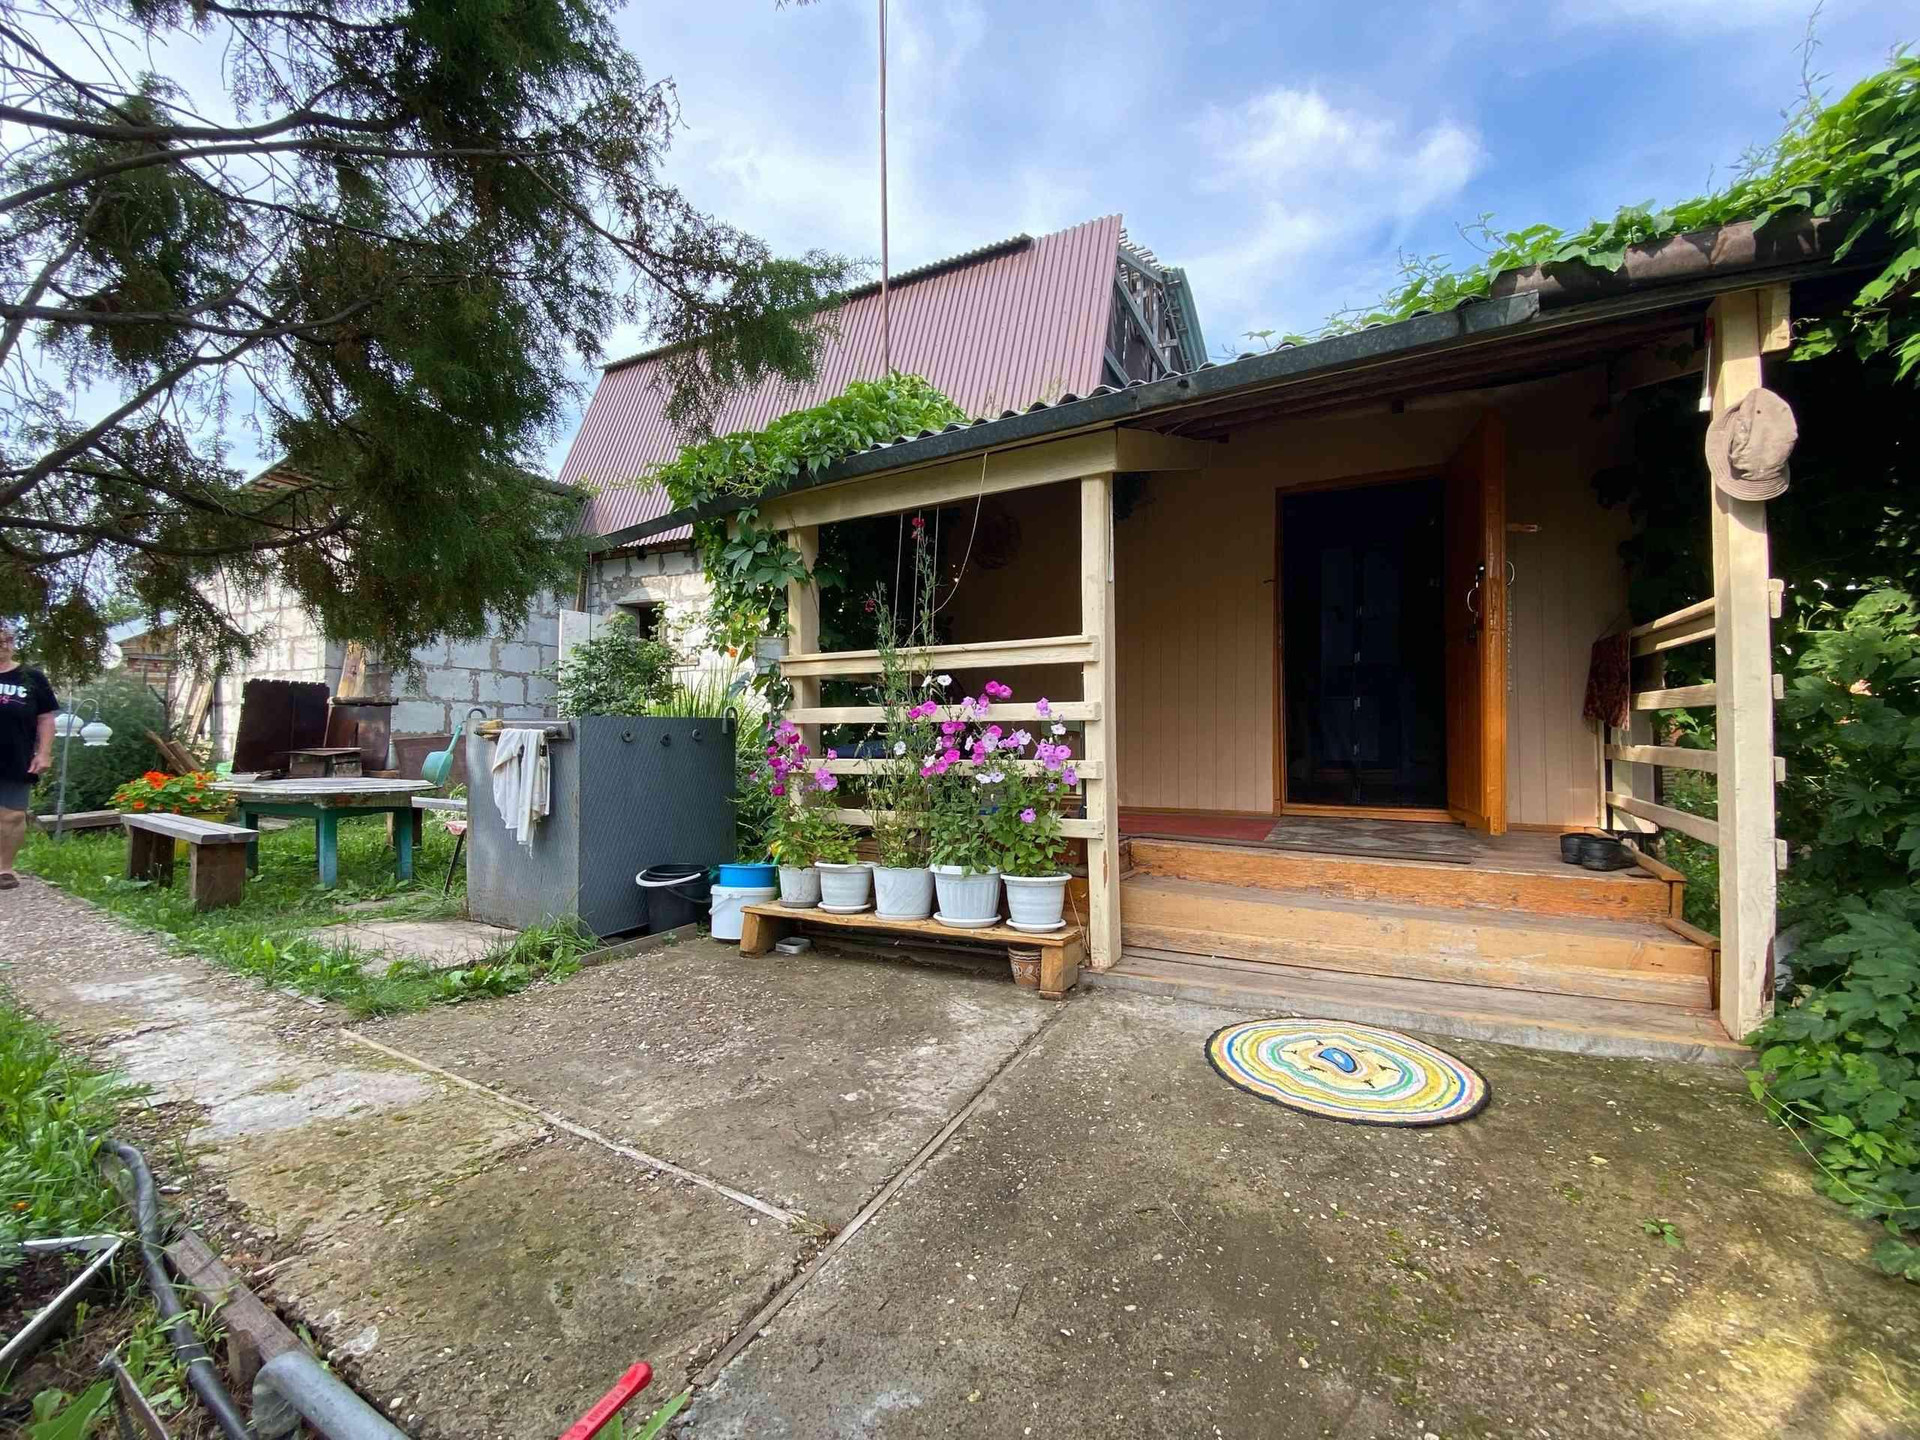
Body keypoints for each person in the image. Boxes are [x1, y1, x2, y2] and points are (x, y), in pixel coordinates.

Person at [0, 620, 57, 890]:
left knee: (12, 816)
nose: (3, 646)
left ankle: (4, 868)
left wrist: (44, 753)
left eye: (7, 641)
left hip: (15, 756)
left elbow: (45, 718)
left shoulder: (32, 678)